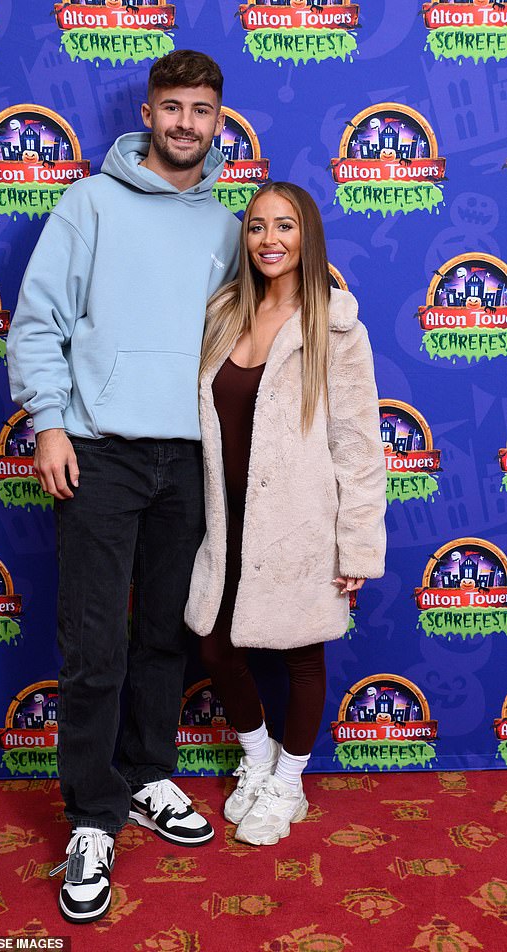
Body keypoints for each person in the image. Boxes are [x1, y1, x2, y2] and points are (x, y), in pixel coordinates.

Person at [7, 50, 240, 924]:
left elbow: (262, 319)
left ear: (219, 122)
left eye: (202, 110)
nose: (186, 123)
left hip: (188, 458)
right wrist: (49, 422)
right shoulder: (88, 203)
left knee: (161, 642)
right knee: (95, 644)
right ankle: (92, 816)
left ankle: (149, 775)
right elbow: (39, 319)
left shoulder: (226, 223)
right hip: (98, 452)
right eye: (172, 106)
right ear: (148, 111)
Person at [185, 181, 386, 846]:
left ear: (307, 238)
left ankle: (289, 781)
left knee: (301, 654)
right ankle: (257, 756)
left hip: (299, 521)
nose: (269, 239)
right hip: (226, 518)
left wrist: (354, 546)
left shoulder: (333, 325)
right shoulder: (221, 314)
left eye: (285, 226)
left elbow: (358, 446)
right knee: (214, 643)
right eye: (256, 226)